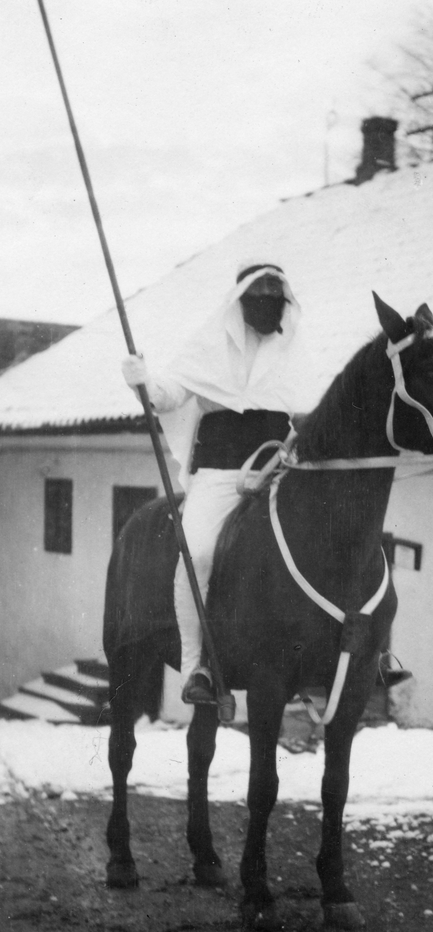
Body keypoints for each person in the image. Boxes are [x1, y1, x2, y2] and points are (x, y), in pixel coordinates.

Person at [122, 259, 315, 705]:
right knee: (200, 554)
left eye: (276, 297)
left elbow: (307, 409)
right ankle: (196, 668)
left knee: (321, 543)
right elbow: (169, 394)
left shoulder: (295, 349)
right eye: (260, 297)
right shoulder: (210, 344)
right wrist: (142, 382)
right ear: (241, 300)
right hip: (220, 476)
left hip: (279, 474)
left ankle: (317, 663)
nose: (269, 305)